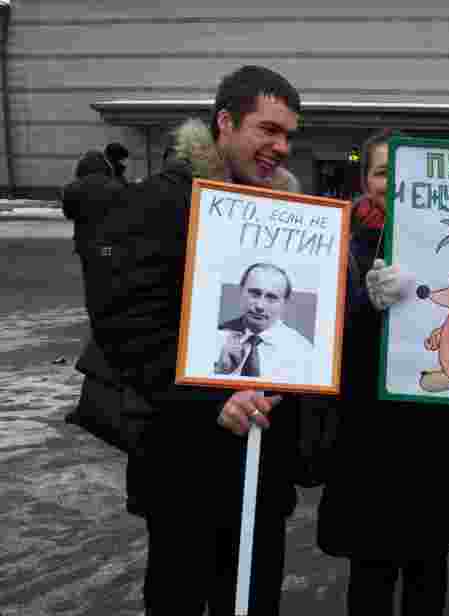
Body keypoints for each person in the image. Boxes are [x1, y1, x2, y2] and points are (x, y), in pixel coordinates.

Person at [82, 65, 309, 615]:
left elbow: (315, 319)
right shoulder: (163, 201)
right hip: (182, 460)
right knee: (179, 597)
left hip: (261, 461)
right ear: (225, 123)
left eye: (288, 136)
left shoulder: (287, 212)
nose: (280, 147)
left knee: (253, 600)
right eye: (267, 129)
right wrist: (214, 397)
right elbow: (126, 323)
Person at [317, 128, 449, 615]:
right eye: (382, 172)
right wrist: (365, 300)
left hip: (432, 430)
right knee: (371, 568)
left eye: (403, 173)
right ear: (365, 180)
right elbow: (321, 328)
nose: (392, 183)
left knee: (428, 562)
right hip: (366, 431)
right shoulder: (340, 239)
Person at [214, 262, 313, 382]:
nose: (260, 306)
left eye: (271, 298)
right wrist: (218, 373)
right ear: (241, 292)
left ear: (284, 304)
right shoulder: (214, 337)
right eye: (254, 294)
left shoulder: (303, 351)